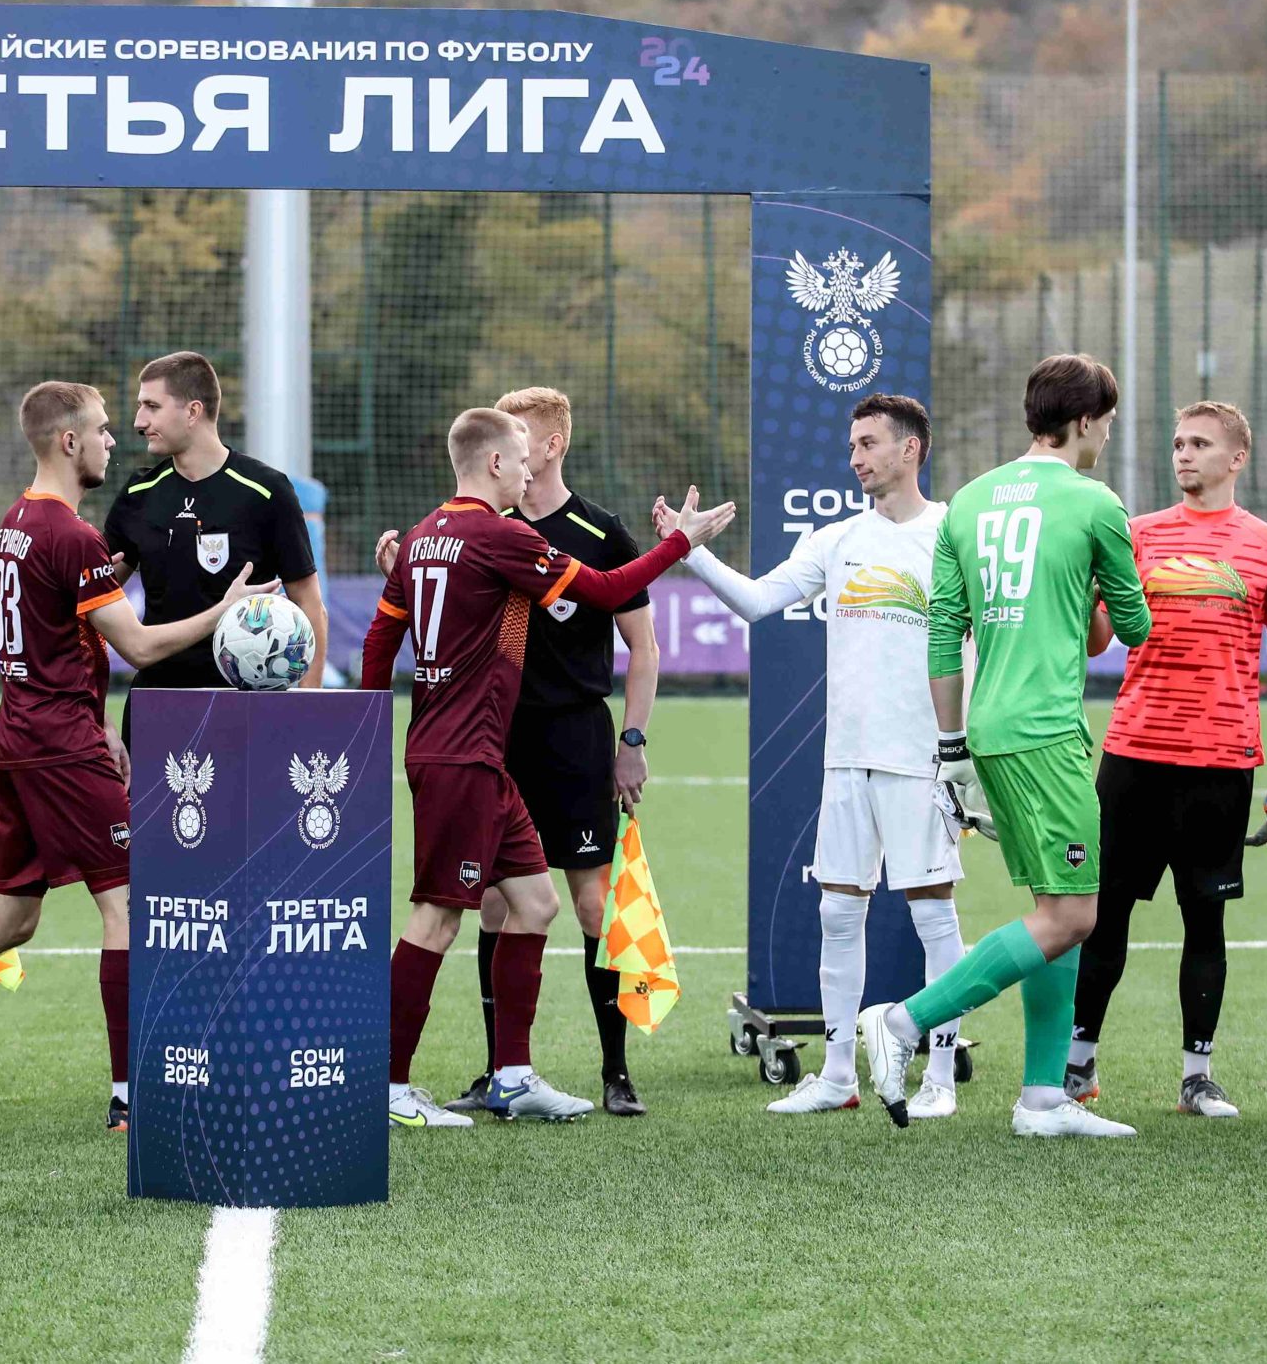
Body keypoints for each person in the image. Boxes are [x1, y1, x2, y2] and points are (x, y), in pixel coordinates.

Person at [0, 381, 268, 1130]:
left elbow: (53, 636)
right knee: (130, 902)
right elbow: (138, 646)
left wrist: (98, 718)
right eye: (101, 428)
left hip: (26, 734)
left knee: (8, 918)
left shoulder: (17, 522)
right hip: (59, 746)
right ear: (69, 441)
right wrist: (224, 611)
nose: (111, 439)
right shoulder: (70, 535)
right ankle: (131, 1097)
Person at [361, 407, 734, 1126]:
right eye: (520, 458)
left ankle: (512, 1076)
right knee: (437, 918)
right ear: (495, 463)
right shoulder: (499, 533)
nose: (528, 471)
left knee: (535, 903)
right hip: (464, 755)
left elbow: (381, 642)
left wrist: (374, 731)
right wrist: (682, 542)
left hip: (473, 753)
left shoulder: (422, 535)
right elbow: (605, 591)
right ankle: (388, 1084)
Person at [858, 353, 1153, 1139]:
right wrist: (1100, 579)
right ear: (1085, 420)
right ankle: (902, 1021)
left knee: (1055, 905)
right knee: (1076, 914)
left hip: (987, 729)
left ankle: (1042, 1099)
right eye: (1107, 423)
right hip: (1045, 731)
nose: (1106, 436)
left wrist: (953, 745)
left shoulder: (970, 502)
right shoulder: (1096, 503)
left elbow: (944, 635)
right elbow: (1132, 628)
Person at [666, 393, 967, 1121]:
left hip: (922, 760)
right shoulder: (837, 540)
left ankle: (940, 1080)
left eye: (868, 443)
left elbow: (980, 640)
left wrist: (962, 750)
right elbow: (757, 601)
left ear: (910, 449)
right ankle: (837, 1075)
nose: (855, 457)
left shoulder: (954, 533)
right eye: (852, 444)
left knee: (933, 915)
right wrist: (688, 549)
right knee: (837, 910)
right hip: (846, 759)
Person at [1064, 402, 1267, 1119]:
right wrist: (1085, 594)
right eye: (1178, 442)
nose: (1184, 453)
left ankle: (1197, 1077)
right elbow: (1097, 640)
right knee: (1103, 915)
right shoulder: (1135, 533)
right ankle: (1077, 1065)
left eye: (1200, 443)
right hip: (1134, 754)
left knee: (1205, 920)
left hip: (1221, 761)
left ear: (1236, 458)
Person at [105, 351, 328, 742]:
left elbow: (310, 606)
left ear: (193, 411)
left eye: (152, 407)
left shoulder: (265, 491)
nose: (139, 421)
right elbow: (96, 597)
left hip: (246, 709)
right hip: (156, 706)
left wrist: (306, 708)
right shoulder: (139, 494)